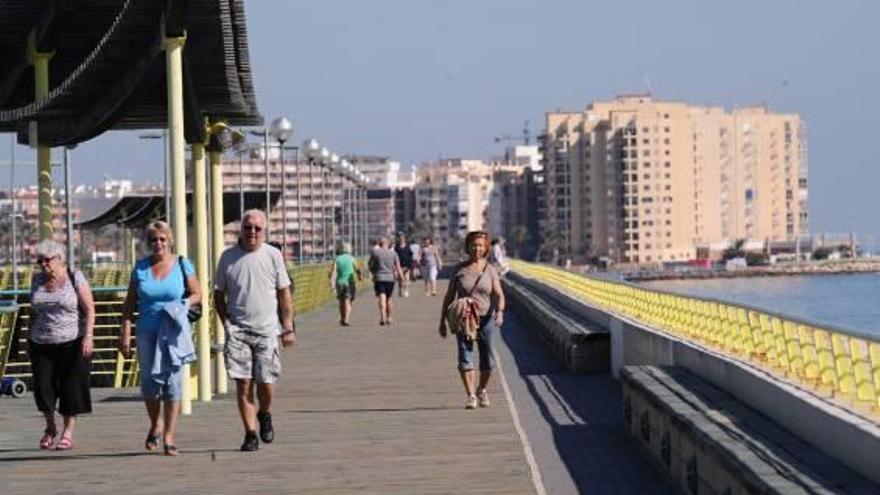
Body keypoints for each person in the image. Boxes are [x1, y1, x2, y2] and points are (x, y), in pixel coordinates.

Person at [214, 210, 296, 452]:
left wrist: (288, 327)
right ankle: (250, 434)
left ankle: (265, 413)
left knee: (266, 382)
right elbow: (218, 295)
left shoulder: (273, 255)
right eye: (248, 227)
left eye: (257, 229)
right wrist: (225, 322)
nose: (252, 232)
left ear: (264, 231)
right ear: (241, 229)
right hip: (238, 330)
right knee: (243, 385)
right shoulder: (228, 257)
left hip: (267, 329)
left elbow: (284, 294)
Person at [120, 221, 201, 456]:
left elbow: (198, 294)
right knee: (150, 384)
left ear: (170, 241)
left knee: (173, 383)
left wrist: (184, 303)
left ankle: (169, 436)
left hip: (173, 329)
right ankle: (155, 423)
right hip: (146, 330)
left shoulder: (183, 264)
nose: (158, 244)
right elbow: (129, 304)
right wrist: (125, 333)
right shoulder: (141, 269)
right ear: (148, 243)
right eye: (154, 240)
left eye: (162, 239)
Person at [28, 240, 96, 451]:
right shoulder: (36, 279)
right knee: (43, 388)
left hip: (72, 340)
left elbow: (90, 308)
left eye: (47, 260)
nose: (43, 265)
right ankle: (50, 428)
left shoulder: (75, 277)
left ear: (59, 259)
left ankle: (67, 432)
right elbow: (34, 310)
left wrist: (88, 336)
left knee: (70, 387)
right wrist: (28, 338)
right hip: (41, 341)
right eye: (40, 261)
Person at [439, 231, 505, 409]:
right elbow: (449, 296)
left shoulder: (490, 270)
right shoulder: (460, 269)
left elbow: (499, 294)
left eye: (481, 245)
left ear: (486, 248)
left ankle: (481, 389)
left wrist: (500, 312)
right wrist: (442, 321)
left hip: (486, 320)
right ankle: (470, 396)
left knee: (487, 360)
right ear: (468, 247)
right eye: (474, 245)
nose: (477, 248)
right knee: (465, 357)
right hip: (465, 318)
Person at [367, 237, 403, 326]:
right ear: (388, 244)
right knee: (389, 298)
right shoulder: (394, 254)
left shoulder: (375, 252)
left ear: (380, 243)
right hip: (390, 279)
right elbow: (398, 267)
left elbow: (370, 264)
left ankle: (382, 316)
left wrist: (373, 272)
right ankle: (389, 317)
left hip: (379, 278)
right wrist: (401, 277)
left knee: (381, 297)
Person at [329, 241, 361, 326]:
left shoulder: (337, 259)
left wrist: (331, 282)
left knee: (341, 301)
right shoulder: (352, 258)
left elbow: (332, 271)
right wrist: (359, 276)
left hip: (339, 282)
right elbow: (357, 269)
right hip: (349, 282)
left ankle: (342, 318)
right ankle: (346, 318)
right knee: (348, 300)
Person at [394, 233, 414, 297]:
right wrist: (395, 266)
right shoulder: (396, 247)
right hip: (399, 266)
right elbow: (394, 256)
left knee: (406, 278)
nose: (401, 240)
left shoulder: (408, 247)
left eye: (402, 239)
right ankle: (400, 290)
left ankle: (406, 290)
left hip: (406, 265)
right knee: (400, 280)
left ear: (404, 240)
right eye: (400, 239)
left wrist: (410, 265)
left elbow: (411, 256)